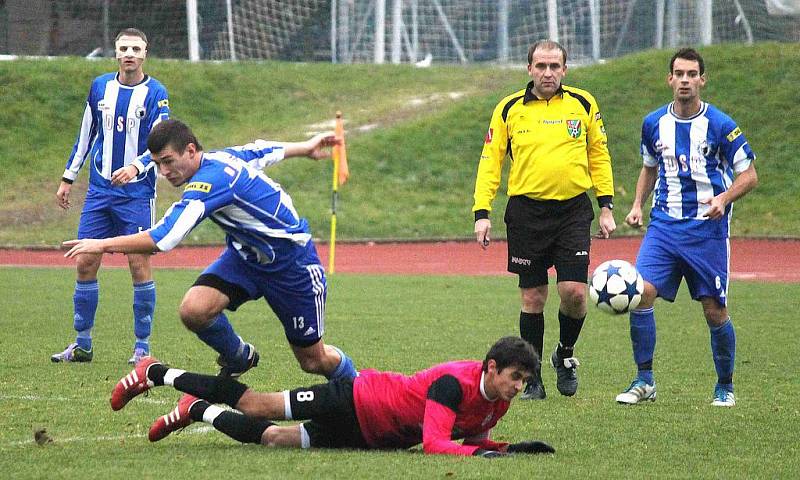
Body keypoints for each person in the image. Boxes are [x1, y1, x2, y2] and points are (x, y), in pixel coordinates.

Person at [63, 119, 357, 383]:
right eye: (157, 165)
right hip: (245, 258)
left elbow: (165, 237)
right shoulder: (219, 158)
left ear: (190, 150)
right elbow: (260, 151)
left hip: (291, 264)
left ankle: (361, 389)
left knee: (313, 361)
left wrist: (101, 244)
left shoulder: (210, 182)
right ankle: (239, 356)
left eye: (168, 161)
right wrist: (304, 148)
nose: (165, 172)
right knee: (194, 311)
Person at [110, 336, 555, 457]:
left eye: (523, 382)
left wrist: (507, 448)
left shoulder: (498, 401)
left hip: (372, 437)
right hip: (358, 399)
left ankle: (198, 409)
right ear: (491, 368)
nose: (517, 388)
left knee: (273, 439)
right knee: (257, 405)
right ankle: (157, 372)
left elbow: (469, 435)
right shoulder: (453, 383)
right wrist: (485, 458)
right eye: (514, 377)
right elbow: (438, 443)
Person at [472, 40, 616, 400]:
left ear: (565, 70)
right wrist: (482, 212)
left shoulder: (583, 104)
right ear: (529, 69)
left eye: (555, 66)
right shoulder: (508, 109)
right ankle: (532, 378)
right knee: (533, 296)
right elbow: (491, 161)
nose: (548, 73)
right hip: (526, 212)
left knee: (575, 293)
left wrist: (606, 205)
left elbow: (598, 153)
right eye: (541, 66)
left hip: (572, 210)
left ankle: (564, 355)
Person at [616, 48, 758, 408]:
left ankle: (725, 385)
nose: (684, 80)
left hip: (706, 230)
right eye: (678, 73)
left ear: (702, 80)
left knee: (714, 310)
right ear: (669, 79)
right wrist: (636, 205)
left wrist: (723, 199)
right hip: (663, 227)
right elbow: (649, 167)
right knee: (641, 293)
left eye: (691, 74)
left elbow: (749, 175)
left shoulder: (721, 125)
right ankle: (644, 380)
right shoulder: (653, 123)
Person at [52, 28, 170, 365]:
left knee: (138, 263)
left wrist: (135, 167)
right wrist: (67, 177)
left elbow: (161, 141)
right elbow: (86, 134)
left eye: (135, 48)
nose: (129, 53)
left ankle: (142, 348)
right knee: (86, 260)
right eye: (123, 48)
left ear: (145, 53)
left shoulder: (156, 92)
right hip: (99, 190)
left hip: (136, 193)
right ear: (115, 53)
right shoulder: (100, 87)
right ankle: (82, 344)